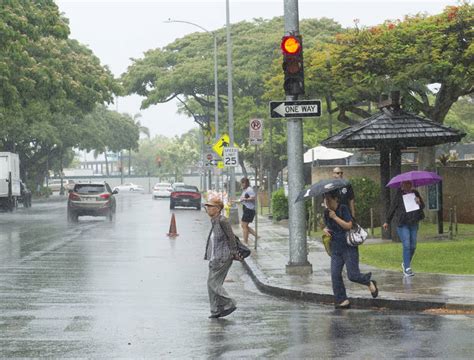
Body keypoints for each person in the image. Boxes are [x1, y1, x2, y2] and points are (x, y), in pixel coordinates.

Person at [323, 189, 378, 309]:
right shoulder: (326, 212)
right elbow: (328, 226)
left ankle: (369, 282)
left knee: (352, 275)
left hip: (348, 247)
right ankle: (342, 300)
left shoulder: (343, 208)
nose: (327, 202)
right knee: (335, 274)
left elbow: (349, 225)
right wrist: (325, 230)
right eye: (325, 199)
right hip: (335, 247)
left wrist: (335, 217)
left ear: (335, 199)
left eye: (329, 199)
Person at [204, 197, 242, 319]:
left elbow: (231, 237)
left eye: (210, 207)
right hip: (215, 257)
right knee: (212, 284)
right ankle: (215, 310)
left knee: (213, 283)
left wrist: (234, 252)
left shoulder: (222, 220)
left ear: (218, 209)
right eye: (207, 206)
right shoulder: (214, 221)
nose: (207, 209)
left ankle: (229, 302)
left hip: (223, 257)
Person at [383, 180, 425, 277]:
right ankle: (407, 268)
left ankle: (406, 263)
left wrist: (419, 202)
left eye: (410, 183)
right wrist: (387, 221)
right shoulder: (399, 195)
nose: (408, 185)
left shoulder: (415, 193)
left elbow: (422, 206)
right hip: (402, 223)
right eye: (406, 184)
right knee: (406, 245)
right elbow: (392, 208)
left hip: (413, 222)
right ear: (402, 185)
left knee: (413, 246)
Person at [237, 177, 257, 244]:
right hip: (246, 208)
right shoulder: (245, 190)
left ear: (246, 183)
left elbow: (253, 197)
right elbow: (242, 199)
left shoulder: (249, 189)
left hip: (249, 209)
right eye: (241, 183)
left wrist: (245, 199)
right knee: (244, 225)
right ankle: (256, 236)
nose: (242, 184)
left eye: (243, 183)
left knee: (244, 225)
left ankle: (245, 241)